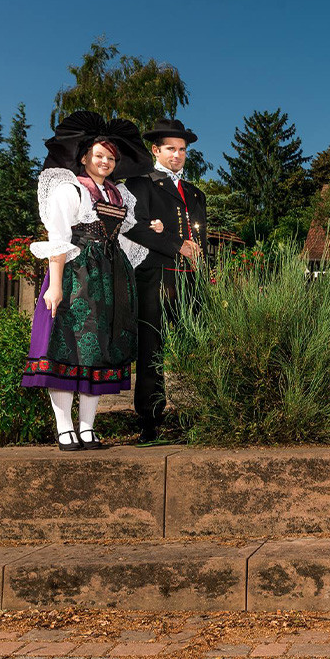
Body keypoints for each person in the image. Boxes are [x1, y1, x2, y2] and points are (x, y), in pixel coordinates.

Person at [21, 110, 152, 449]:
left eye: (111, 157)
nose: (105, 161)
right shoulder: (71, 190)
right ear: (84, 158)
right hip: (77, 274)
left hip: (109, 279)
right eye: (99, 156)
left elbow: (123, 238)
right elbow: (59, 236)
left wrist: (149, 230)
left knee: (100, 351)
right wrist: (54, 284)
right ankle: (64, 426)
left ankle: (88, 426)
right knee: (67, 348)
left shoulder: (119, 196)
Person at [122, 117, 207, 443]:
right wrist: (176, 244)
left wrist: (207, 271)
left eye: (182, 149)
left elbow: (203, 240)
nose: (177, 154)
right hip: (156, 276)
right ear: (156, 149)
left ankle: (197, 415)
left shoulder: (195, 194)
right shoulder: (140, 185)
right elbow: (133, 226)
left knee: (196, 346)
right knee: (152, 349)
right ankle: (149, 423)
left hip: (191, 280)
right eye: (170, 148)